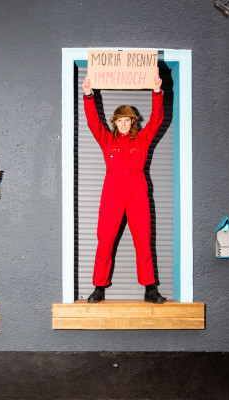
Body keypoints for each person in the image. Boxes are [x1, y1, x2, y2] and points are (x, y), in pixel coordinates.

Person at [82, 69, 166, 304]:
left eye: (127, 120)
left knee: (143, 240)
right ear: (115, 123)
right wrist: (88, 95)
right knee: (105, 240)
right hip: (113, 193)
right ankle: (99, 287)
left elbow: (157, 119)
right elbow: (93, 121)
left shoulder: (143, 139)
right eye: (119, 120)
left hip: (137, 192)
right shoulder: (107, 139)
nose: (123, 124)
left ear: (132, 122)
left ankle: (150, 289)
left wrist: (157, 91)